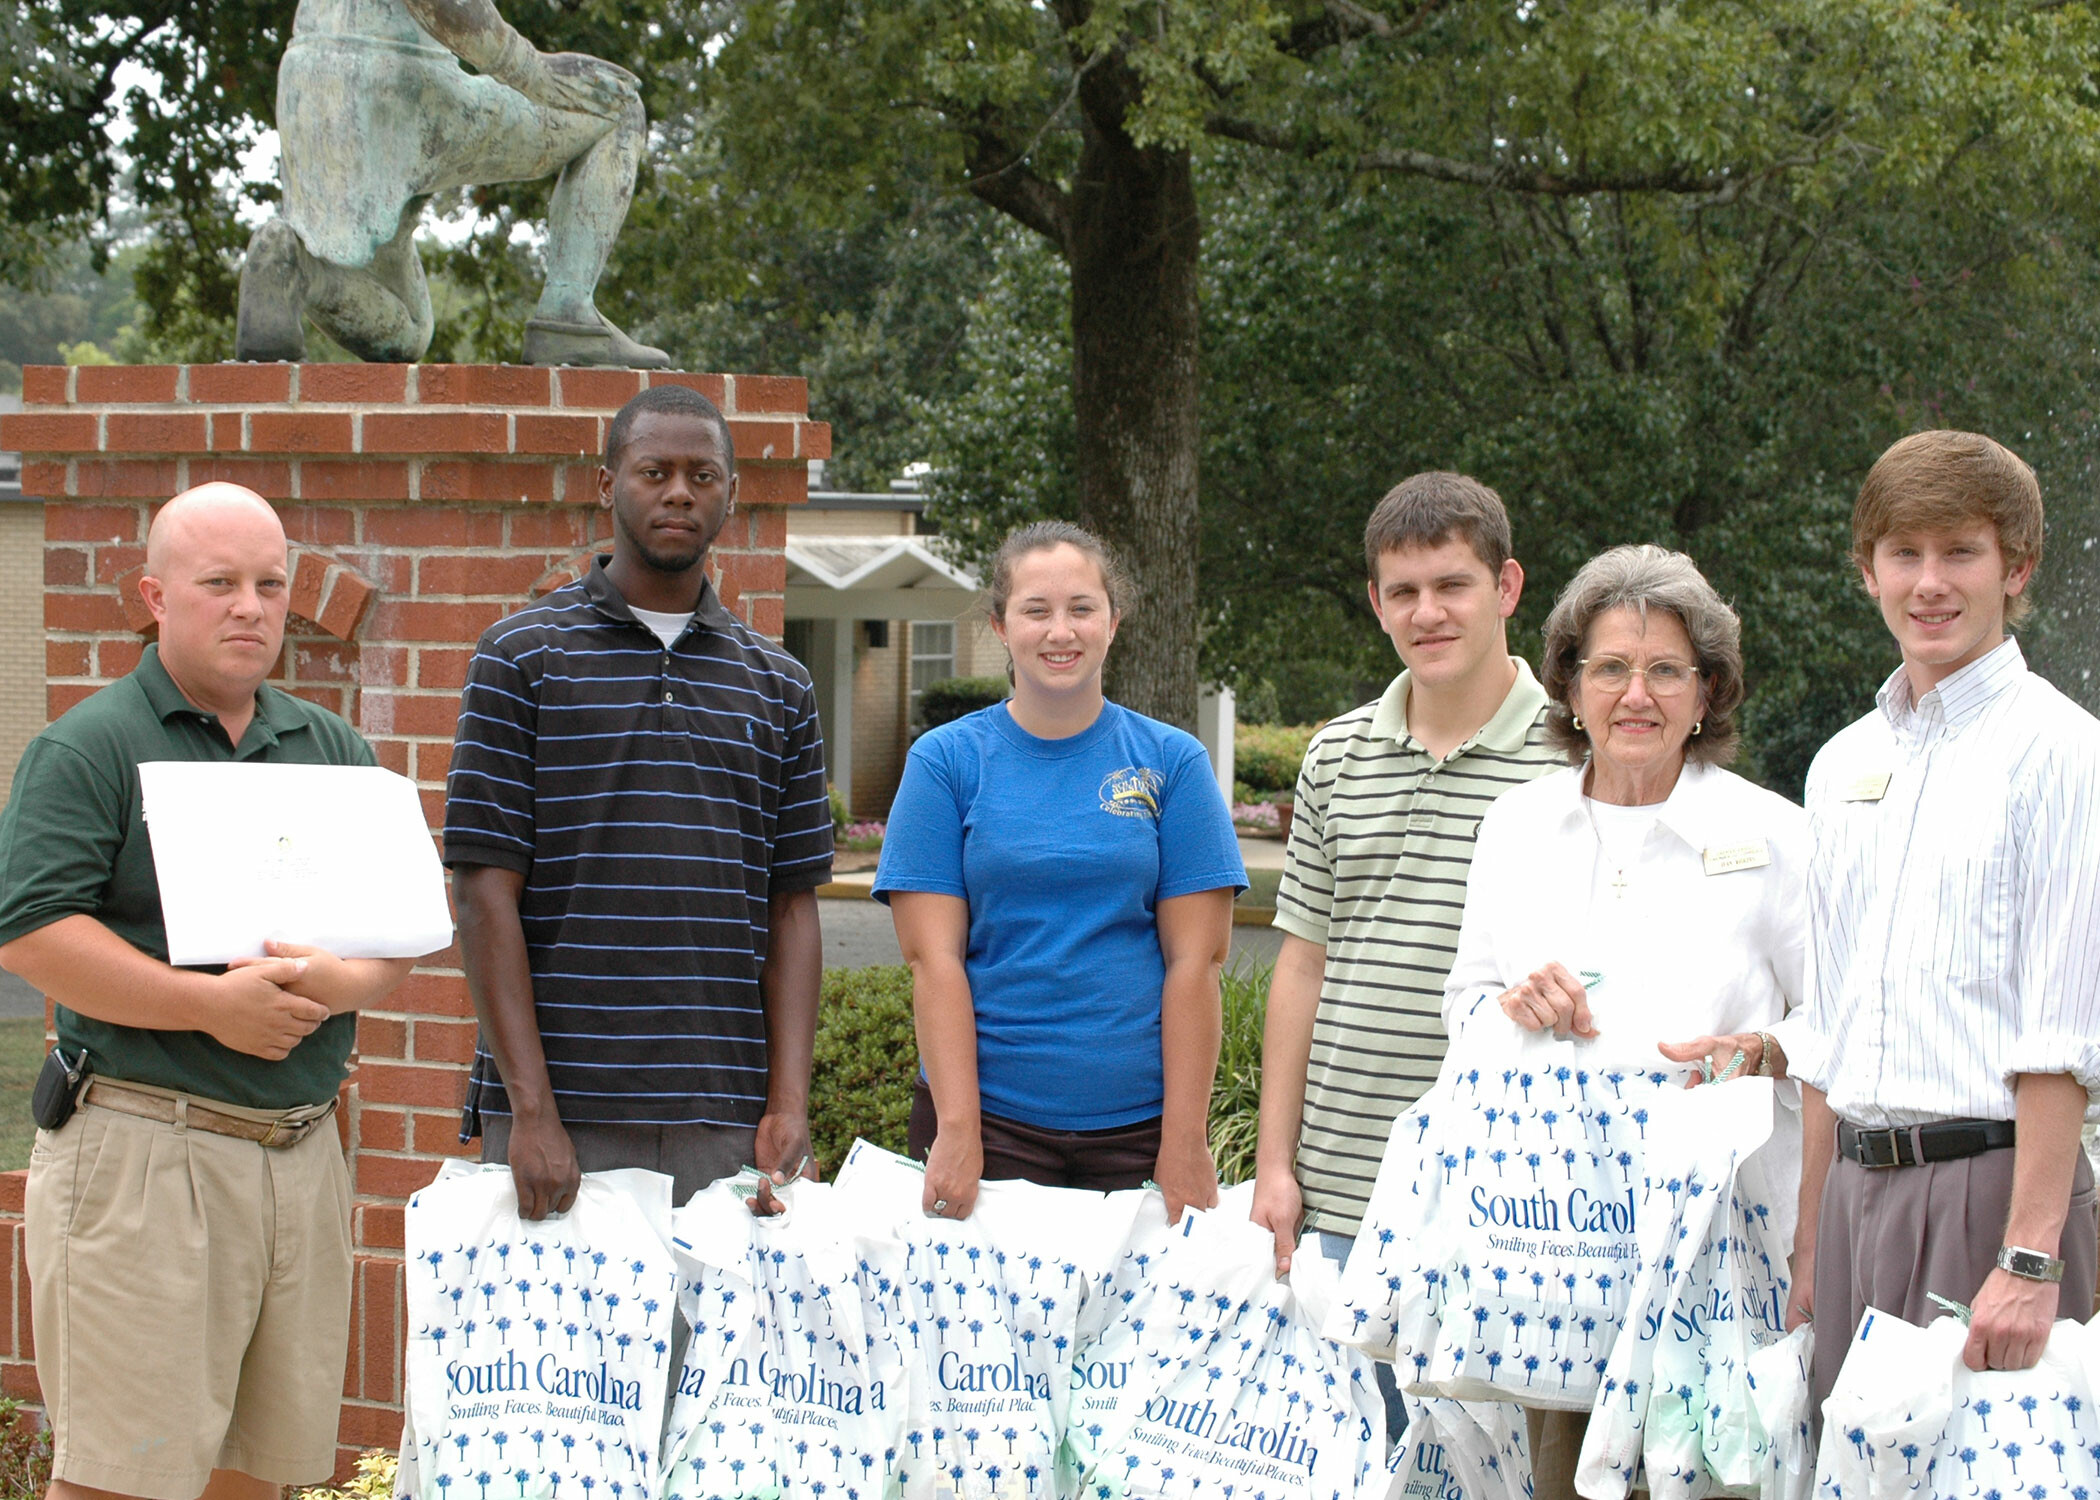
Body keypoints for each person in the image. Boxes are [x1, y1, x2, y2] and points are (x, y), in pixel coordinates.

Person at [0, 483, 415, 1500]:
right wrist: (207, 1007)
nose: (251, 608)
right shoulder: (88, 747)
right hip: (145, 1154)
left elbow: (394, 937)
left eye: (270, 585)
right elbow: (32, 934)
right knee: (119, 1480)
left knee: (256, 1478)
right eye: (219, 583)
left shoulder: (332, 750)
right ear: (155, 594)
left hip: (300, 1158)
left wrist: (331, 980)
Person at [1708, 431, 2100, 1415]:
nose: (1930, 583)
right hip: (1856, 1200)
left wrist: (2031, 1254)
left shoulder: (2060, 754)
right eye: (1904, 554)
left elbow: (2062, 1032)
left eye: (1960, 552)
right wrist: (1813, 1243)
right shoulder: (1841, 768)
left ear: (2016, 568)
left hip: (1995, 1197)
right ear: (1866, 569)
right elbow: (1834, 1030)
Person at [1441, 543, 1808, 1499]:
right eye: (1609, 666)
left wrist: (1765, 1049)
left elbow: (1839, 1024)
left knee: (1713, 1479)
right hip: (1557, 1247)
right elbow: (1464, 1006)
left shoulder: (1775, 834)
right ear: (1568, 682)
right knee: (1562, 1478)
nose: (1634, 694)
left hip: (1719, 1255)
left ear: (1708, 691)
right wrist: (1512, 1006)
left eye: (1664, 671)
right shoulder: (1515, 827)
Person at [444, 384, 832, 1218]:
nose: (680, 492)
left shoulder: (780, 685)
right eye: (654, 470)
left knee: (711, 1356)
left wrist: (789, 1103)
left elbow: (792, 909)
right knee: (549, 1355)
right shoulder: (523, 659)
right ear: (607, 482)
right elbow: (482, 893)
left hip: (725, 1116)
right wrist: (534, 1111)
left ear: (731, 492)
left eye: (704, 475)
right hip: (563, 1119)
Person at [874, 521, 1245, 1223]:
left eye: (1081, 607)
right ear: (999, 624)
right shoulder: (945, 762)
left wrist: (1185, 1136)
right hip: (990, 1126)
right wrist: (958, 1129)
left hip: (1141, 1131)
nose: (1060, 631)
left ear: (1114, 619)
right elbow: (934, 961)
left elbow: (1196, 963)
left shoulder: (1173, 762)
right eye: (1035, 610)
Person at [1250, 473, 1559, 1289]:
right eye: (1404, 592)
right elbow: (1302, 967)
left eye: (1453, 584)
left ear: (1507, 587)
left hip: (1506, 1199)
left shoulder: (1576, 759)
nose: (1429, 613)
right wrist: (1274, 1164)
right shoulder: (1335, 755)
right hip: (1339, 1192)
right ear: (1376, 603)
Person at [236, 0, 668, 366]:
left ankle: (292, 262)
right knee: (616, 107)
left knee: (408, 332)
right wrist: (532, 70)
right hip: (395, 82)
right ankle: (568, 311)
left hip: (307, 87)